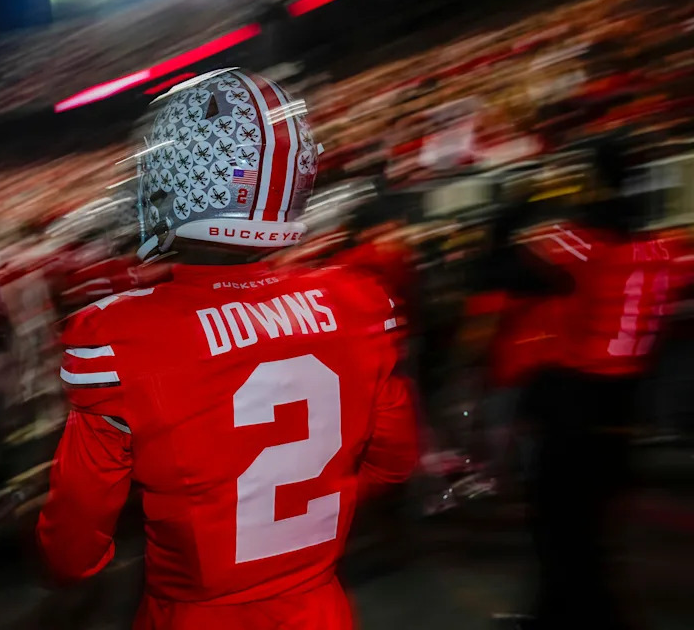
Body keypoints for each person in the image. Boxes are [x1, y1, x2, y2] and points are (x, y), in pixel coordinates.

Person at [36, 69, 418, 629]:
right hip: (321, 607)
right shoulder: (356, 300)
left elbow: (73, 544)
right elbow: (394, 464)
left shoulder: (121, 335)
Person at [496, 141, 694, 630]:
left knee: (560, 530)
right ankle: (564, 613)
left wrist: (531, 196)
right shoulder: (669, 254)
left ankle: (571, 617)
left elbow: (519, 248)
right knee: (593, 532)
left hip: (574, 407)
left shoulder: (582, 247)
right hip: (625, 411)